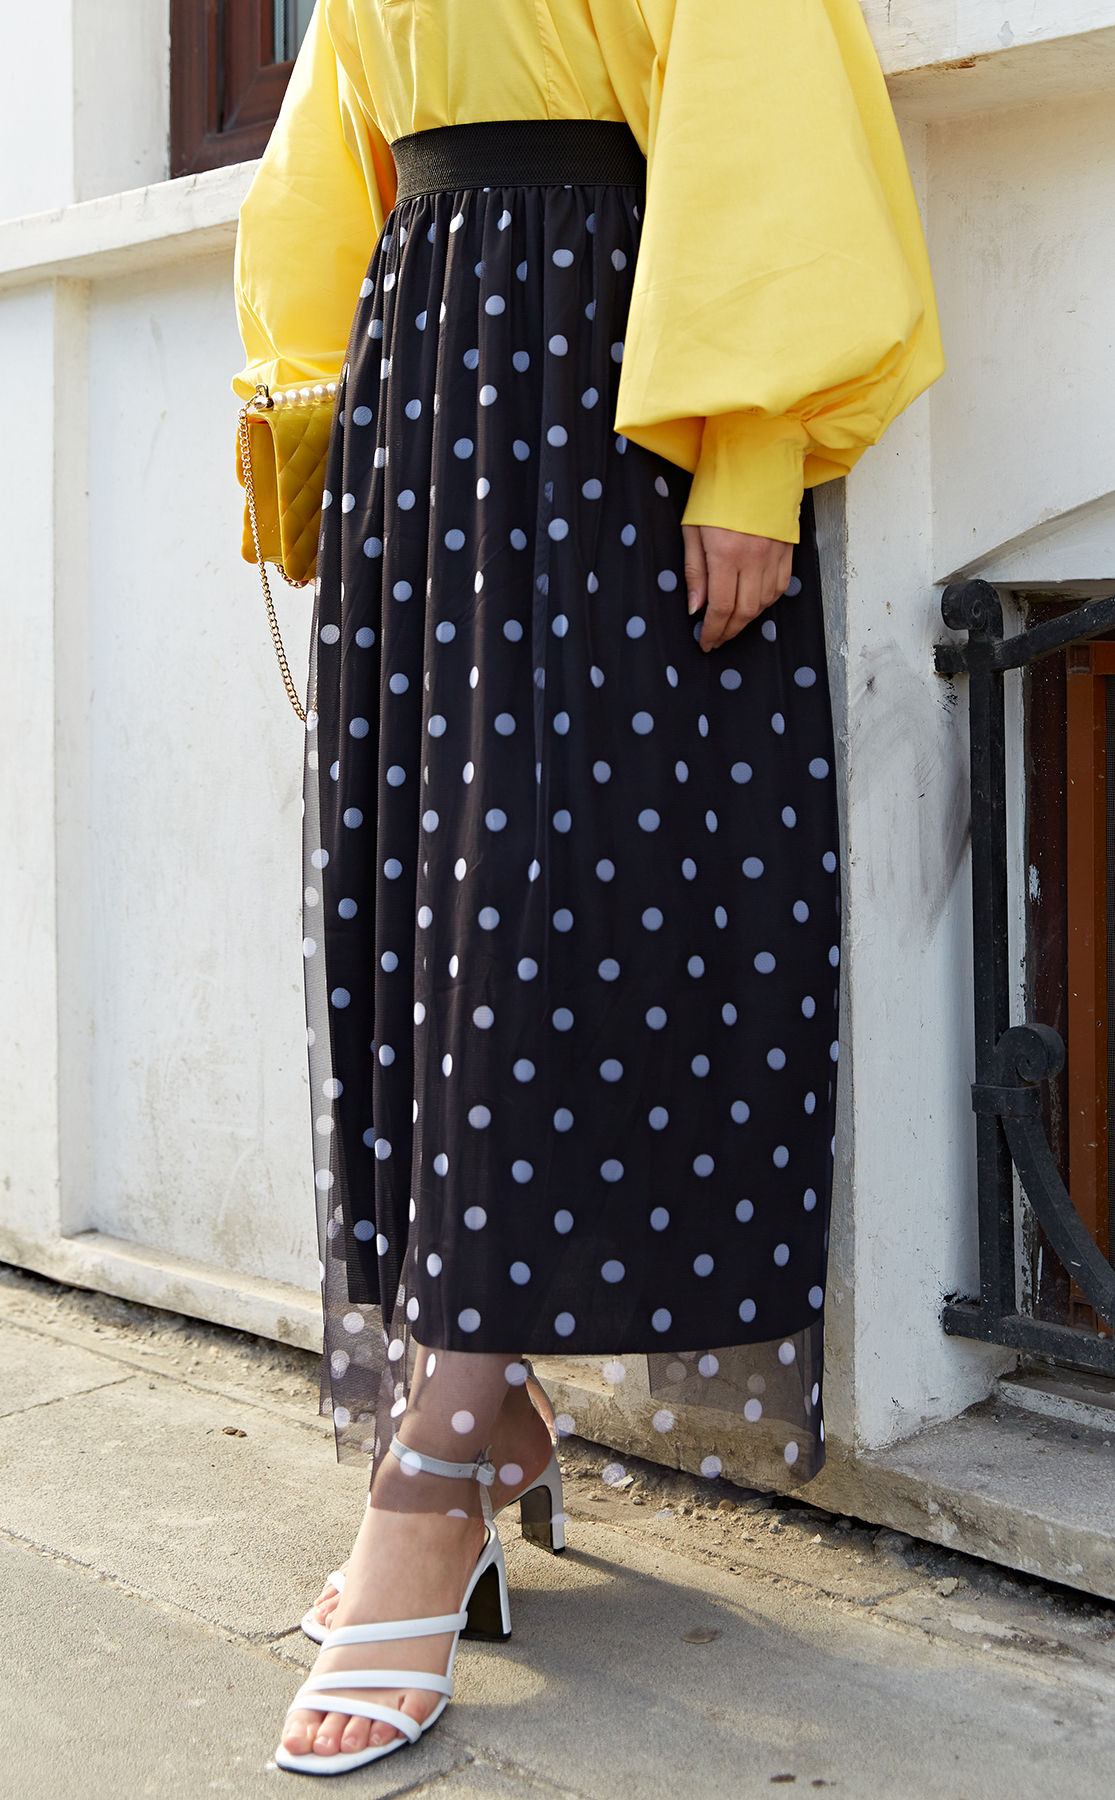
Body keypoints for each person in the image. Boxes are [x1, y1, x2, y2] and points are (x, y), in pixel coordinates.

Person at [233, 0, 942, 1776]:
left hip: (611, 366)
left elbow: (763, 95)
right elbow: (330, 150)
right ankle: (489, 1409)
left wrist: (750, 447)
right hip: (426, 366)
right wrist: (310, 409)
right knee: (435, 906)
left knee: (552, 909)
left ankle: (442, 1453)